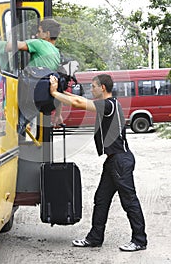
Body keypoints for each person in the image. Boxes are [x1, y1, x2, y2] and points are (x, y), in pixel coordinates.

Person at [49, 73, 147, 252]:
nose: (91, 90)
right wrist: (61, 91)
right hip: (113, 161)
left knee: (129, 201)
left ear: (102, 88)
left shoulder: (108, 105)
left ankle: (139, 240)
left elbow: (79, 104)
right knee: (101, 200)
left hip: (120, 161)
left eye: (93, 86)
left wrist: (55, 94)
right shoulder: (108, 104)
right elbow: (78, 99)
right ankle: (95, 238)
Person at [18, 18, 63, 137]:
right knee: (22, 124)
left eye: (39, 31)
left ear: (47, 34)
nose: (37, 34)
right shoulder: (57, 53)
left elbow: (14, 46)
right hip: (41, 99)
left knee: (17, 126)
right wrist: (58, 113)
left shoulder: (40, 43)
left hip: (30, 94)